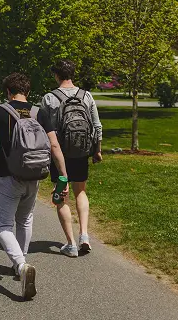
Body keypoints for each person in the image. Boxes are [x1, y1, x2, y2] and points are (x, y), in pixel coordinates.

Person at [0, 72, 68, 300]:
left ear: (7, 91)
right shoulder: (39, 112)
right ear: (28, 91)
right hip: (34, 176)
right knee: (25, 219)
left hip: (7, 176)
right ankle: (20, 261)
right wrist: (63, 176)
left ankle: (21, 266)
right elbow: (54, 145)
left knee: (3, 226)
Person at [41, 59, 103, 257]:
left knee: (61, 196)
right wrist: (97, 150)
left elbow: (45, 131)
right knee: (81, 191)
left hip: (59, 154)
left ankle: (70, 243)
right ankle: (84, 235)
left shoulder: (49, 98)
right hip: (81, 152)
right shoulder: (86, 96)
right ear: (72, 74)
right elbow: (97, 126)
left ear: (56, 75)